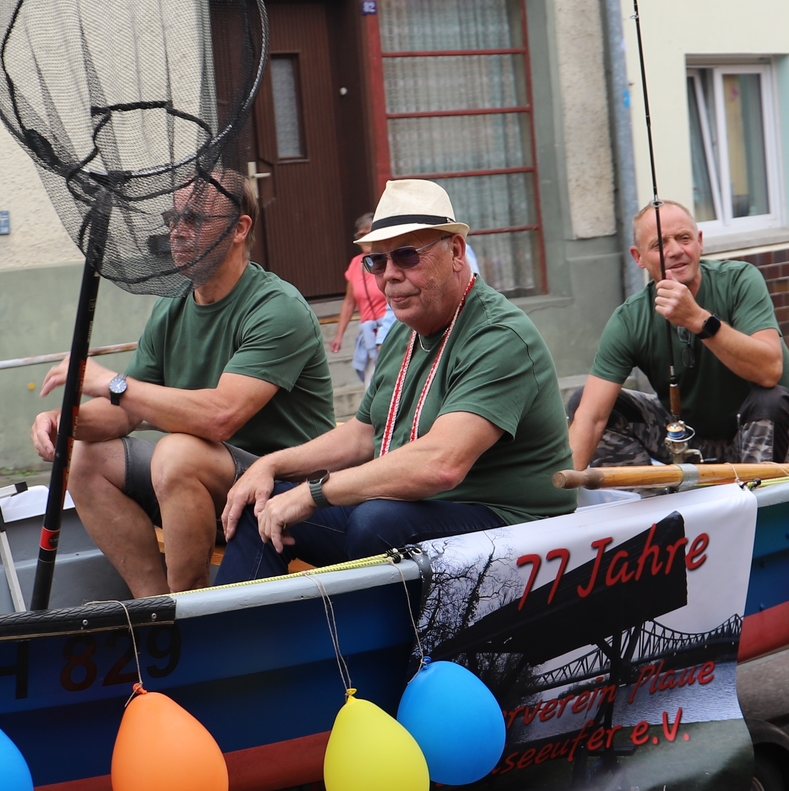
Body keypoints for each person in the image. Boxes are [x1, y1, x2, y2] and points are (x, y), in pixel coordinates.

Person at [216, 180, 575, 584]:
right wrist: (270, 465)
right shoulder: (406, 330)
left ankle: (361, 627)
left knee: (378, 522)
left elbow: (442, 465)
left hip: (517, 529)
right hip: (421, 511)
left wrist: (314, 491)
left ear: (456, 252)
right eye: (376, 261)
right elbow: (361, 435)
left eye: (406, 255)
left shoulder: (498, 335)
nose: (389, 275)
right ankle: (235, 624)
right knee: (261, 506)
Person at [31, 171, 334, 598]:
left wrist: (111, 382)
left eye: (194, 218)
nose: (177, 231)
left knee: (177, 452)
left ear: (239, 229)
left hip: (287, 490)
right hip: (205, 484)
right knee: (86, 454)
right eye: (172, 218)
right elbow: (123, 412)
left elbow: (221, 417)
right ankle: (154, 610)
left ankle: (188, 605)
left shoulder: (276, 308)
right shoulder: (170, 307)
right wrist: (64, 420)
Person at [568, 200, 789, 469]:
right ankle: (653, 494)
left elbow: (769, 370)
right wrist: (562, 490)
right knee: (585, 403)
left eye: (684, 238)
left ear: (699, 242)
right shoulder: (629, 320)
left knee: (771, 400)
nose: (676, 251)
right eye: (659, 244)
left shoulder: (740, 280)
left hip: (769, 430)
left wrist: (698, 319)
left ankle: (757, 492)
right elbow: (591, 418)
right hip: (690, 438)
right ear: (638, 257)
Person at [330, 213, 392, 383]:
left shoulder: (388, 260)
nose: (365, 238)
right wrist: (339, 335)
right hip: (368, 335)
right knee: (371, 384)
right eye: (360, 234)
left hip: (389, 330)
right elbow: (349, 302)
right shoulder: (355, 264)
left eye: (368, 232)